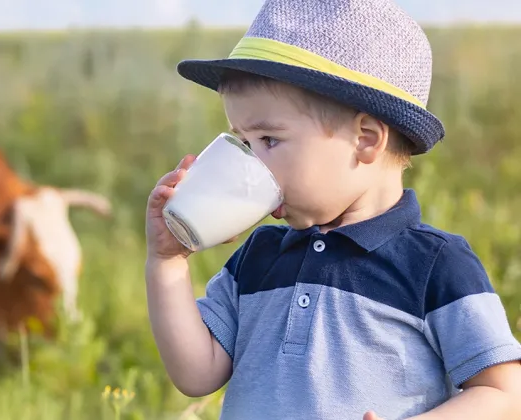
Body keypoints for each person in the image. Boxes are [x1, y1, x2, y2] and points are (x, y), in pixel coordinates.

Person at [144, 0, 521, 419]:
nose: (252, 163)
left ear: (364, 139)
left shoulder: (435, 264)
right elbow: (196, 375)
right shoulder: (259, 258)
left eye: (269, 140)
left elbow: (504, 394)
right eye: (245, 143)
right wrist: (168, 261)